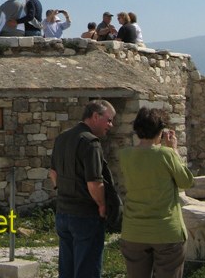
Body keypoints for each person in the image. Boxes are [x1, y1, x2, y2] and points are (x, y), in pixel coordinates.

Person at [119, 107, 194, 278]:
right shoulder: (166, 154)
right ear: (160, 131)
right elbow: (186, 182)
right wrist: (174, 150)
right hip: (166, 230)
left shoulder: (125, 155)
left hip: (134, 230)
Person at [49, 99, 117, 278]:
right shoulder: (90, 143)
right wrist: (102, 206)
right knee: (87, 271)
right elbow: (94, 182)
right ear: (95, 116)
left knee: (67, 271)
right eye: (108, 120)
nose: (111, 125)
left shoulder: (62, 138)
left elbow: (53, 174)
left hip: (63, 212)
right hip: (85, 215)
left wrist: (63, 190)